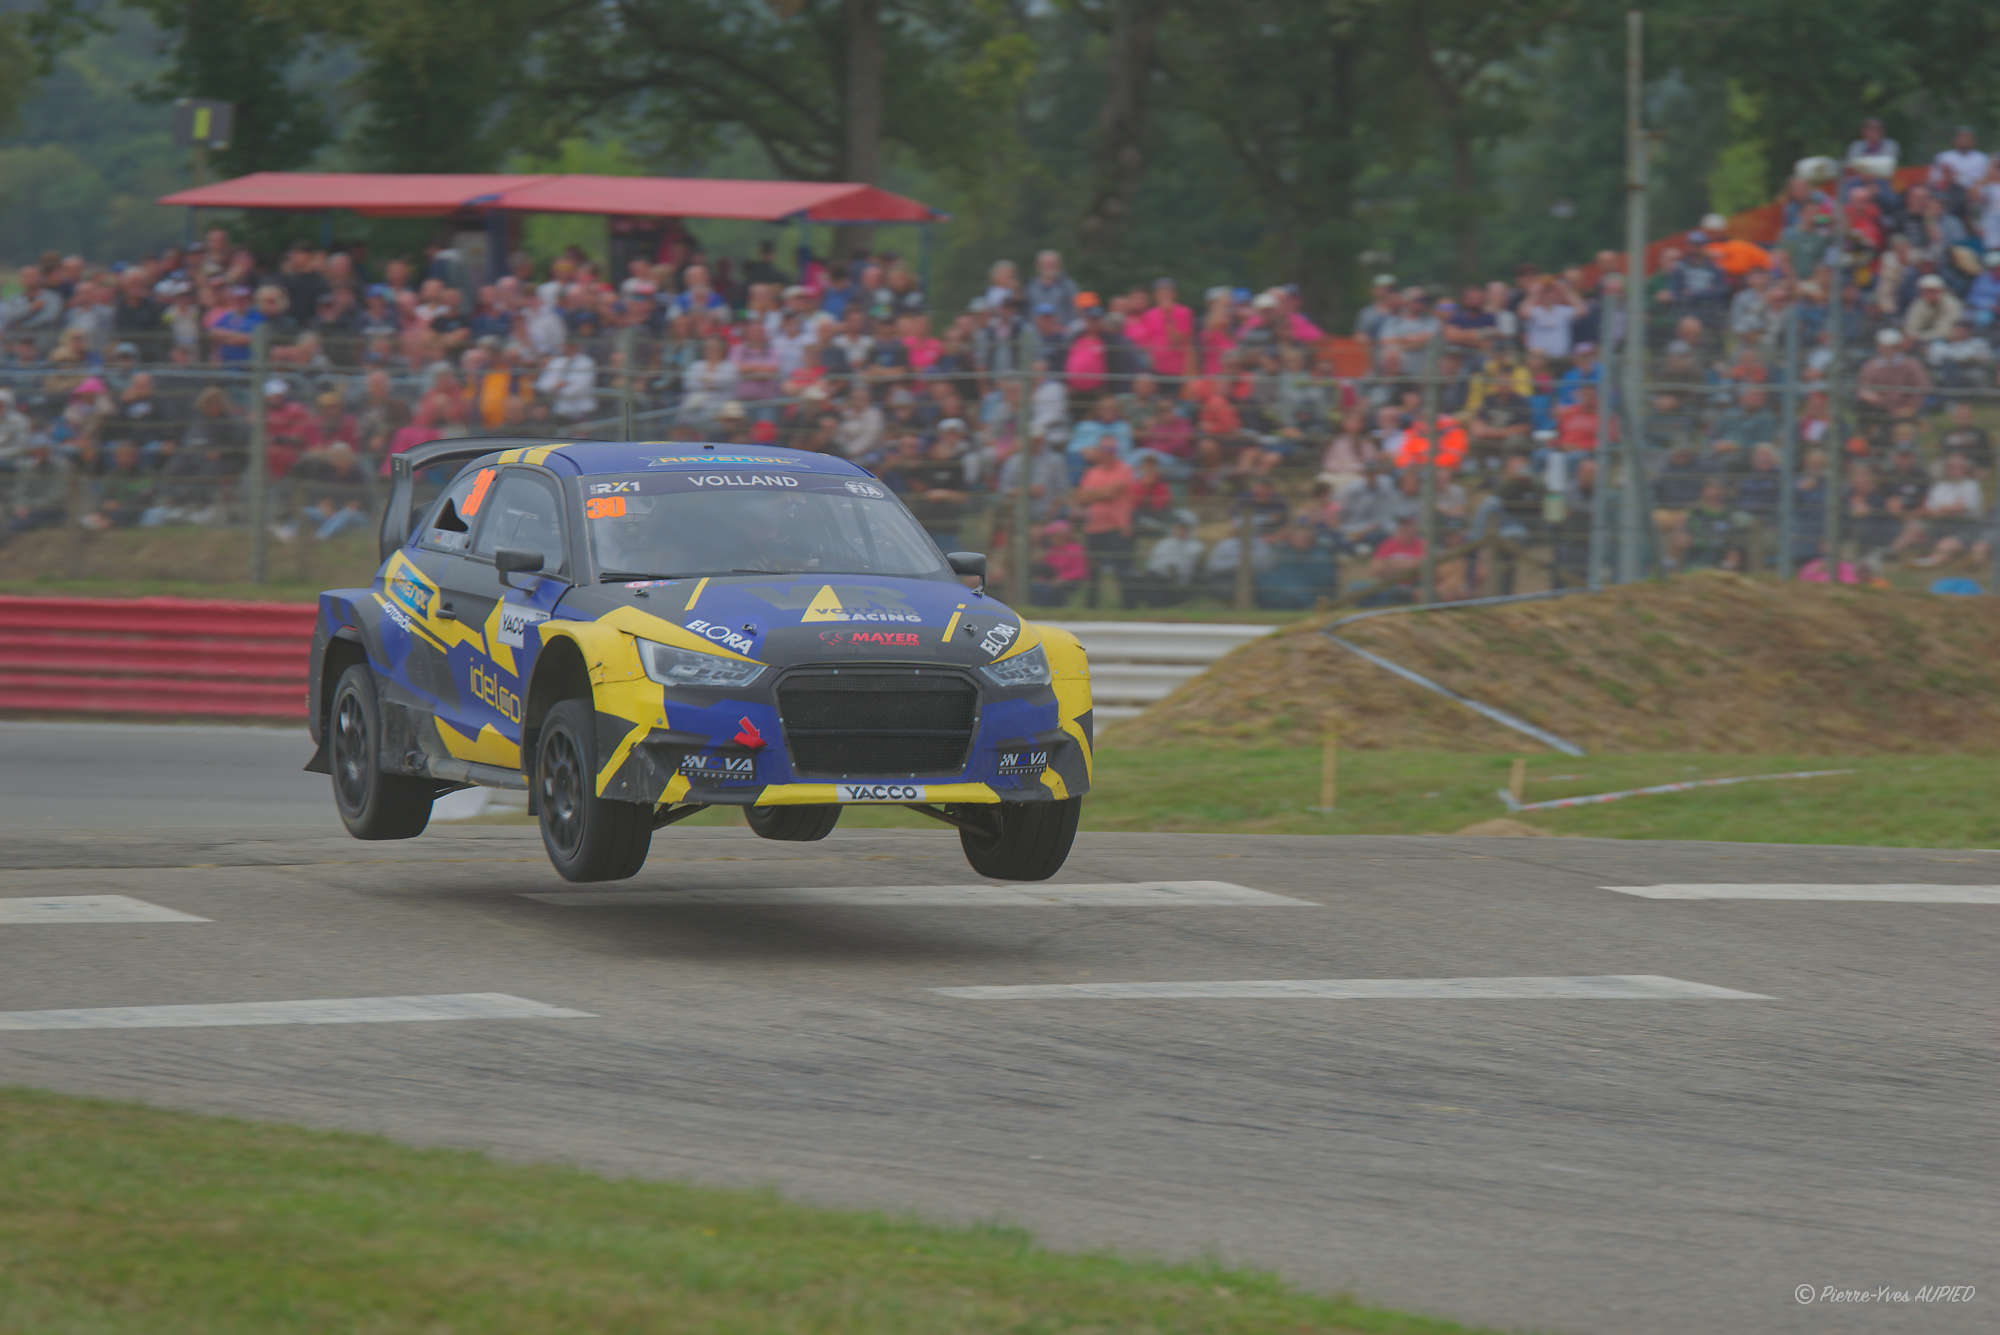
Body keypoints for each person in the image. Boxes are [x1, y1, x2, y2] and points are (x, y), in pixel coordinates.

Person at [1072, 440, 1137, 609]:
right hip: (1094, 527)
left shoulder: (1125, 470)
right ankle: (1091, 607)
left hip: (1117, 528)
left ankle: (1128, 606)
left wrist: (1093, 494)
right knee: (1093, 571)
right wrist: (1102, 493)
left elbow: (1111, 493)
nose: (1108, 453)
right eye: (1104, 449)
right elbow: (1081, 496)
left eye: (1111, 449)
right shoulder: (1092, 472)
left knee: (1122, 570)